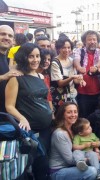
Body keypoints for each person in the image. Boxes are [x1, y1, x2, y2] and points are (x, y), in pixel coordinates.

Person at [5, 43, 52, 180]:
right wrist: (22, 118)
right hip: (29, 132)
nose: (35, 60)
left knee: (42, 167)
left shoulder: (40, 76)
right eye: (31, 56)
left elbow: (44, 98)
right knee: (31, 167)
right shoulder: (16, 78)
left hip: (45, 130)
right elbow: (9, 106)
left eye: (37, 56)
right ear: (23, 57)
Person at [49, 102, 100, 180]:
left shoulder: (74, 129)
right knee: (92, 171)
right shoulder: (60, 134)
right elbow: (70, 160)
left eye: (75, 112)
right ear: (63, 114)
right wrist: (91, 159)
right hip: (59, 171)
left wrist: (95, 152)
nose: (73, 115)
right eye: (69, 112)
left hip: (72, 166)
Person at [73, 30, 100, 118]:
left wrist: (96, 67)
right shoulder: (79, 51)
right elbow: (76, 60)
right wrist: (79, 67)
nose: (92, 42)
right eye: (89, 40)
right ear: (84, 41)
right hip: (83, 93)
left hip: (98, 93)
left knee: (98, 118)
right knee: (84, 118)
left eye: (94, 40)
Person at [50, 37, 85, 113]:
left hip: (73, 96)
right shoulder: (55, 63)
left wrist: (80, 80)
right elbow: (60, 83)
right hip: (61, 98)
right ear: (58, 48)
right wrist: (72, 77)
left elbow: (75, 81)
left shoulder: (71, 60)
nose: (67, 50)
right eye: (63, 48)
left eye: (69, 47)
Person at [0, 25, 20, 113]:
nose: (6, 38)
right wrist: (3, 77)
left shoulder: (6, 57)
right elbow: (4, 76)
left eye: (10, 36)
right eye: (3, 34)